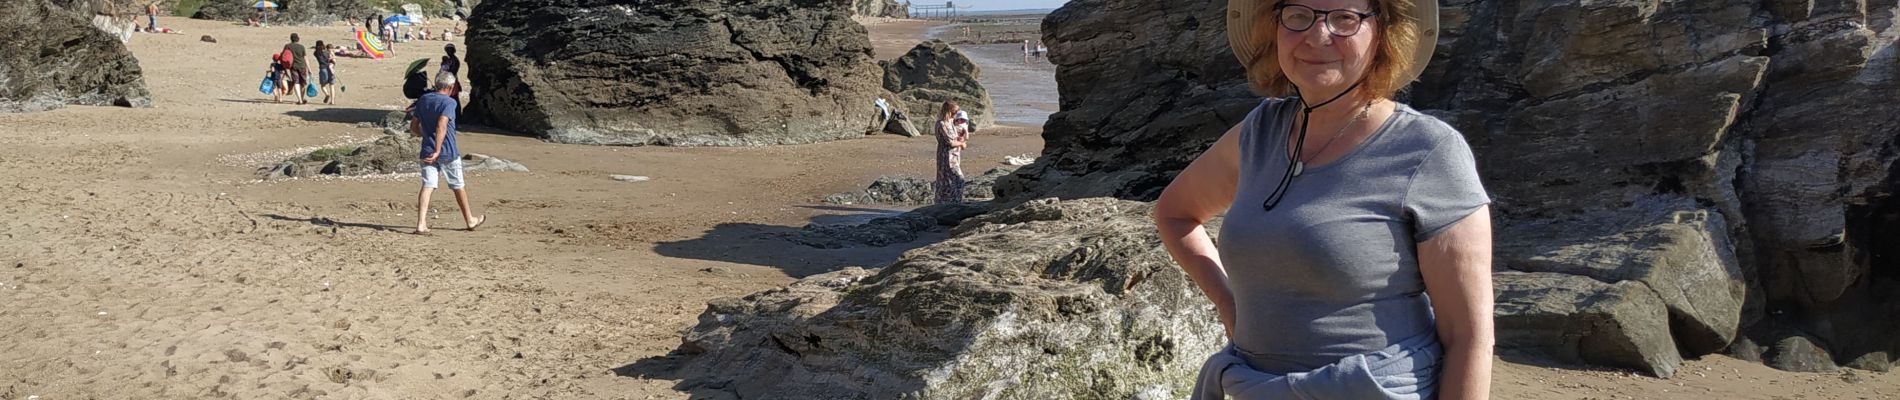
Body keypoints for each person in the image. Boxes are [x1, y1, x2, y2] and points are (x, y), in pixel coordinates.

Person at [1153, 0, 1492, 399]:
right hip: (1254, 388)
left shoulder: (1428, 150)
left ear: (1382, 33)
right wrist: (1230, 305)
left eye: (1345, 18)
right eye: (1298, 15)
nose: (1317, 36)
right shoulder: (1260, 132)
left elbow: (1467, 336)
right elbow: (1176, 213)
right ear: (1273, 28)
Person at [407, 72, 485, 234]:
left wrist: (425, 135)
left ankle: (421, 224)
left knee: (428, 185)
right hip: (446, 151)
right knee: (458, 186)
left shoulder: (423, 100)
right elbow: (442, 125)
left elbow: (414, 126)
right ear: (450, 87)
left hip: (427, 150)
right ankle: (470, 220)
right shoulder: (449, 102)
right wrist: (437, 149)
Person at [933, 101, 970, 204]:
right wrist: (961, 144)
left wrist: (962, 136)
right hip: (946, 157)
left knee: (949, 181)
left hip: (954, 156)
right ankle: (953, 203)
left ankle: (948, 203)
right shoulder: (941, 124)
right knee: (957, 180)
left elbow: (956, 138)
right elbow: (949, 142)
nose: (957, 113)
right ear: (949, 111)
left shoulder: (951, 122)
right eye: (955, 111)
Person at [280, 33, 310, 105]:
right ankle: (302, 98)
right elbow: (305, 58)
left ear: (291, 38)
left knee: (296, 82)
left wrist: (284, 66)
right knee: (303, 83)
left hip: (293, 66)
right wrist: (309, 68)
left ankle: (300, 100)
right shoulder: (301, 47)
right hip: (302, 66)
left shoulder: (287, 46)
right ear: (298, 38)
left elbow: (283, 55)